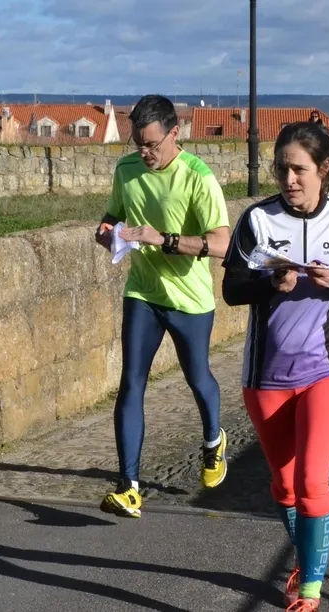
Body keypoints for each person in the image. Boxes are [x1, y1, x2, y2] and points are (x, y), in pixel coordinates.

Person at [222, 121, 329, 611]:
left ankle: (309, 593)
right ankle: (305, 555)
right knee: (285, 484)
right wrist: (271, 284)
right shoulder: (258, 220)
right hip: (266, 375)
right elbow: (231, 290)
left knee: (314, 479)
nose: (289, 179)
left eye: (299, 169)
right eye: (282, 169)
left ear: (324, 169)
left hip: (326, 370)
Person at [93, 94, 231, 519]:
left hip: (189, 299)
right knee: (131, 383)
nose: (145, 153)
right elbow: (112, 217)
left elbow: (222, 244)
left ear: (176, 134)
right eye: (139, 144)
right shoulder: (127, 169)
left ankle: (213, 441)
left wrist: (164, 239)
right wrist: (106, 232)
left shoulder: (198, 178)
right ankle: (129, 486)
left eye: (152, 144)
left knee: (197, 376)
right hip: (143, 292)